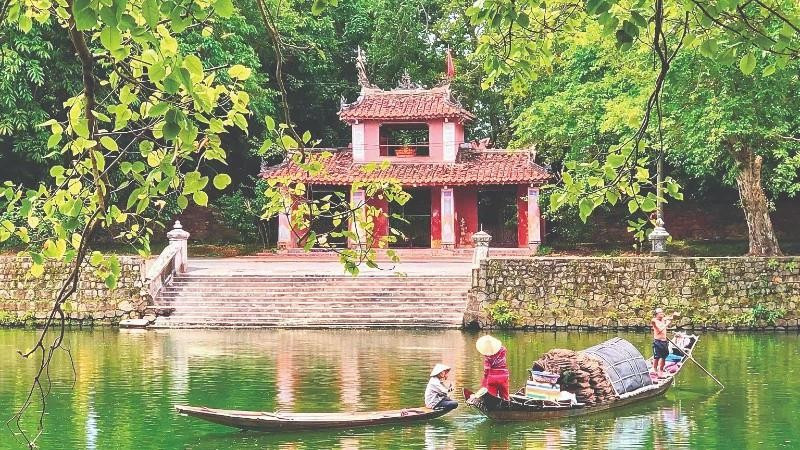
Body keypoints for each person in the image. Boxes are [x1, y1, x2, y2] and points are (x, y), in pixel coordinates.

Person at [476, 335, 510, 401]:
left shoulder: (488, 357)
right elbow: (502, 348)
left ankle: (492, 408)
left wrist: (485, 380)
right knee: (505, 397)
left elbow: (486, 370)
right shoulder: (503, 351)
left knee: (492, 397)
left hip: (492, 377)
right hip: (504, 376)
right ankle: (507, 405)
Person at [652, 308, 679, 378]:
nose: (662, 314)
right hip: (658, 342)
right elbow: (660, 330)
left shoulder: (663, 319)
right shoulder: (654, 321)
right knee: (657, 357)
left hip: (664, 341)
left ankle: (661, 370)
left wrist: (674, 315)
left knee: (664, 356)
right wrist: (667, 324)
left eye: (662, 312)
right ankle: (654, 369)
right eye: (660, 313)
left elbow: (670, 318)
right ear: (656, 314)